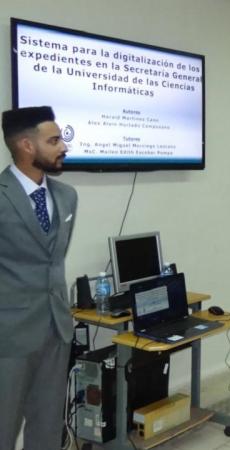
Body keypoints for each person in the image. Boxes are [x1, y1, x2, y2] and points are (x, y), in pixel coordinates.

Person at [0, 106, 78, 450]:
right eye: (54, 140)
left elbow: (53, 260)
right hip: (9, 335)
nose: (63, 146)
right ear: (27, 146)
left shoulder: (66, 196)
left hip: (56, 329)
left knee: (47, 426)